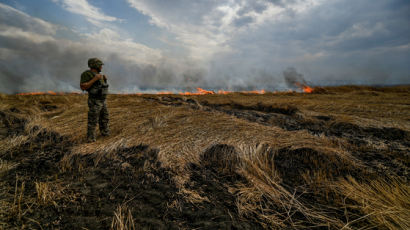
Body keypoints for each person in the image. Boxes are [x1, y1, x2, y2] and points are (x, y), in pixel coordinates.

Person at [80, 58, 110, 142]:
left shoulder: (100, 75)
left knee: (105, 118)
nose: (101, 67)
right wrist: (94, 79)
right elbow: (83, 87)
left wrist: (105, 80)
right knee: (93, 120)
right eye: (100, 65)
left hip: (102, 100)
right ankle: (90, 138)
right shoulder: (87, 74)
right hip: (94, 101)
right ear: (95, 65)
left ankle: (105, 134)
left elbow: (102, 87)